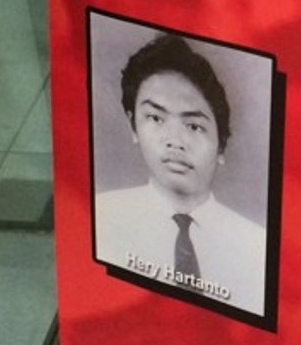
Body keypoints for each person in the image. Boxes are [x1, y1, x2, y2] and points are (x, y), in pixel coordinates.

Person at [94, 34, 267, 316]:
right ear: (133, 125)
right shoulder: (100, 216)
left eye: (194, 126)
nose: (174, 141)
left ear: (220, 146)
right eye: (156, 118)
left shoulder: (256, 245)